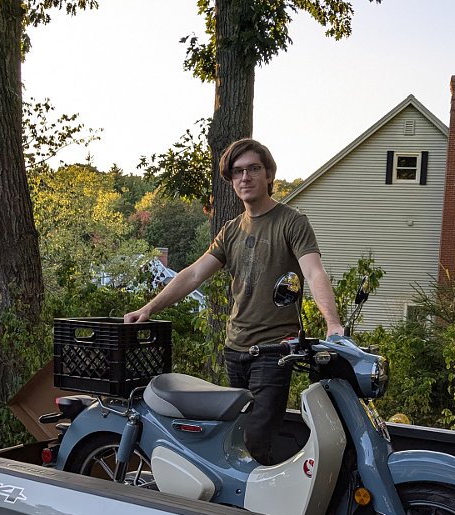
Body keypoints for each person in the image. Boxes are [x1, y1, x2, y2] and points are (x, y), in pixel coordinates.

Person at [125, 138, 343, 465]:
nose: (246, 177)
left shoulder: (292, 221)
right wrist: (148, 308)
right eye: (238, 172)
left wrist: (333, 324)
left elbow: (314, 272)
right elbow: (194, 274)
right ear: (231, 181)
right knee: (236, 438)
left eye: (254, 168)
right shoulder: (230, 231)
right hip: (235, 350)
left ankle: (263, 513)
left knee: (257, 439)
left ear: (269, 174)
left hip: (273, 353)